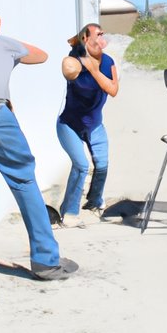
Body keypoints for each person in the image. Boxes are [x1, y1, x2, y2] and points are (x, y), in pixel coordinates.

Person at [0, 1, 77, 281]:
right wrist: (1, 43)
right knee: (23, 181)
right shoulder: (3, 43)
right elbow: (41, 55)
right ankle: (46, 261)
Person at [57, 23, 118, 226]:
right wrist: (85, 65)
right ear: (85, 38)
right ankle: (69, 212)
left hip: (95, 125)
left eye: (103, 34)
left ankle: (94, 203)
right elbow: (69, 69)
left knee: (102, 165)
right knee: (82, 165)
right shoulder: (74, 61)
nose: (102, 38)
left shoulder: (108, 62)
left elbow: (113, 89)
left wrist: (93, 69)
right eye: (98, 34)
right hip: (69, 125)